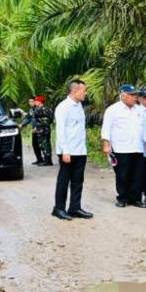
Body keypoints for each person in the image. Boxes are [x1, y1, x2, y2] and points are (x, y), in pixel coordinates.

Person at [52, 79, 94, 221]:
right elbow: (61, 131)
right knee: (64, 180)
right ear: (75, 91)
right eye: (84, 90)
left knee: (78, 181)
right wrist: (65, 151)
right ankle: (59, 208)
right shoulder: (63, 107)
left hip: (80, 150)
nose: (86, 93)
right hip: (68, 151)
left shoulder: (79, 105)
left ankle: (75, 207)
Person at [102, 84, 146, 209]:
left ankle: (136, 199)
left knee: (137, 174)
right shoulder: (113, 110)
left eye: (135, 95)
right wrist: (106, 144)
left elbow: (145, 128)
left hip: (137, 147)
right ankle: (122, 198)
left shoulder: (139, 110)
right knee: (122, 174)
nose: (135, 98)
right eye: (132, 95)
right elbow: (106, 128)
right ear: (123, 95)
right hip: (121, 148)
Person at [31, 96, 54, 166]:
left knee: (43, 145)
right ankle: (48, 159)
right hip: (47, 129)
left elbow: (32, 116)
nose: (35, 102)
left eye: (36, 101)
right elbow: (51, 119)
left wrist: (38, 126)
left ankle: (47, 161)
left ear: (39, 102)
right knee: (47, 144)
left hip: (41, 130)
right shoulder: (48, 109)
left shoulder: (38, 110)